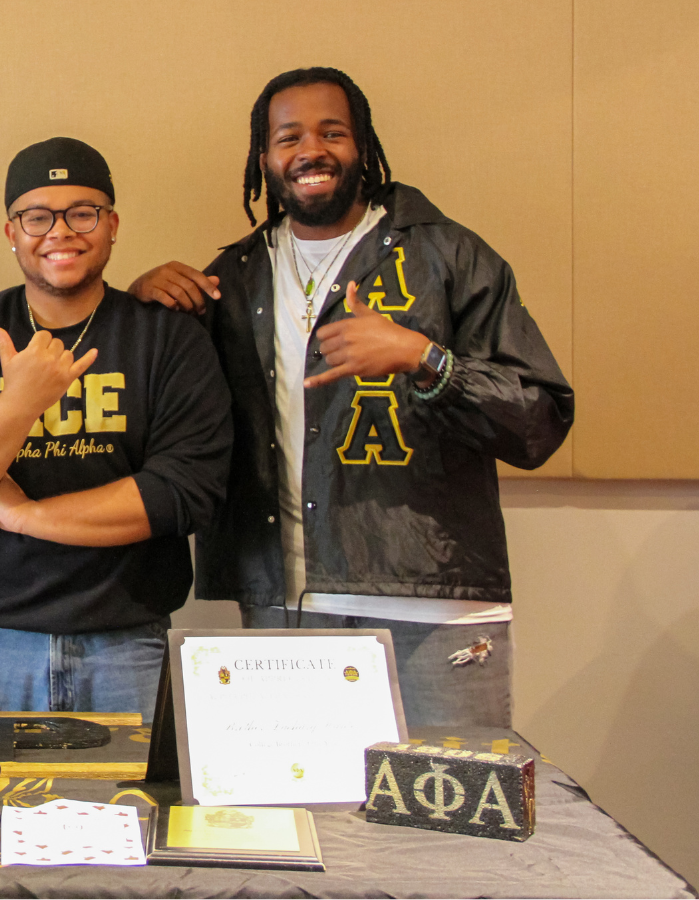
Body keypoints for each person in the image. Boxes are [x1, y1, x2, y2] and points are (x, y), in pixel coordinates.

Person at [128, 67, 574, 726]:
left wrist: (425, 359)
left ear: (362, 146)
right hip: (285, 606)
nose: (311, 150)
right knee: (300, 822)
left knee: (444, 821)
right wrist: (144, 309)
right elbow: (171, 420)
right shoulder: (235, 277)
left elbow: (540, 419)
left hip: (432, 608)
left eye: (331, 132)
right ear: (264, 158)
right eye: (289, 137)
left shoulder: (448, 255)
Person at [0, 138, 232, 714]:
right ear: (12, 232)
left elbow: (185, 492)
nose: (60, 231)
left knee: (135, 808)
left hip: (128, 644)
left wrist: (25, 515)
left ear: (112, 224)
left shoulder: (167, 339)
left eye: (83, 212)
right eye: (37, 216)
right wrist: (19, 404)